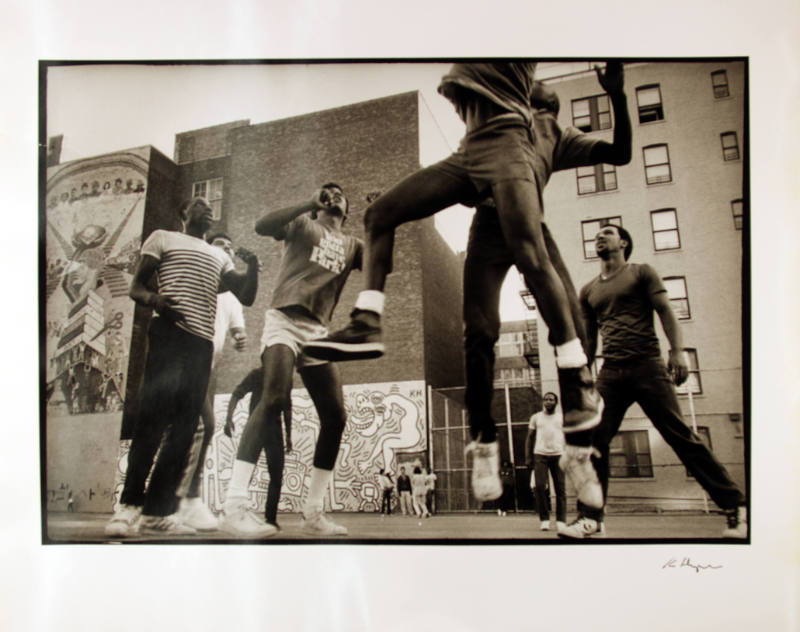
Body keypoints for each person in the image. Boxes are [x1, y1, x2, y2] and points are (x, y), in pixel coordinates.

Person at [304, 62, 629, 509]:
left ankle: (577, 433)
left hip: (524, 211)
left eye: (537, 97)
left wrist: (616, 94)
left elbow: (619, 151)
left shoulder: (551, 131)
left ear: (537, 104)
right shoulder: (487, 104)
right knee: (476, 332)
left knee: (562, 305)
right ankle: (480, 435)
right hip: (484, 207)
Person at [558, 224, 748, 539]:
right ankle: (591, 518)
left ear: (623, 242)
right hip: (612, 372)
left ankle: (736, 506)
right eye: (597, 235)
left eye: (607, 232)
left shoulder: (642, 272)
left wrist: (678, 352)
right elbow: (589, 338)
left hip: (648, 366)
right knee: (593, 442)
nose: (600, 237)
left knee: (681, 436)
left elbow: (665, 310)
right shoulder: (588, 289)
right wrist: (584, 375)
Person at [104, 197, 258, 537]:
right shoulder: (162, 238)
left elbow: (245, 296)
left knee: (186, 428)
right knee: (152, 419)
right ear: (183, 213)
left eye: (209, 206)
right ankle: (127, 507)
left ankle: (157, 512)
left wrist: (255, 266)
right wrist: (157, 301)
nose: (206, 207)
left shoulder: (219, 256)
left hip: (200, 345)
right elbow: (136, 287)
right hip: (168, 333)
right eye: (198, 204)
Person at [218, 183, 362, 538]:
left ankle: (313, 511)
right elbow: (261, 225)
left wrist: (382, 219)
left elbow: (384, 266)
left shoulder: (353, 245)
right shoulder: (302, 225)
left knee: (336, 416)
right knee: (275, 398)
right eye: (327, 190)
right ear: (319, 203)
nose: (335, 193)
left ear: (348, 208)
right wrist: (306, 204)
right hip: (284, 319)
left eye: (341, 192)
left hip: (318, 330)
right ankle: (234, 506)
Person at [177, 232, 254, 531]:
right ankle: (185, 501)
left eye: (230, 247)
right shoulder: (198, 279)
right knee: (202, 426)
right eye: (221, 245)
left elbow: (237, 329)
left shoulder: (233, 297)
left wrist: (240, 339)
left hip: (206, 368)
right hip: (183, 360)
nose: (228, 250)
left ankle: (180, 502)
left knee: (193, 429)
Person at [223, 366, 292, 530]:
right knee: (247, 474)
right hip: (256, 427)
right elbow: (237, 393)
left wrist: (288, 435)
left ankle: (270, 519)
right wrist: (228, 418)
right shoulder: (258, 374)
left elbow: (287, 406)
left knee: (276, 474)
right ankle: (237, 511)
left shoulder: (285, 378)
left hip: (274, 429)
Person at [525, 392, 567, 531]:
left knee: (560, 489)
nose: (548, 401)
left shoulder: (562, 417)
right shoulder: (536, 417)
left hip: (558, 455)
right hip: (540, 455)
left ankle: (561, 520)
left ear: (556, 402)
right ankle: (544, 520)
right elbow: (530, 438)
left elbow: (569, 436)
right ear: (543, 402)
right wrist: (528, 457)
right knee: (540, 487)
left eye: (551, 399)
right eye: (546, 399)